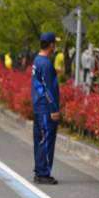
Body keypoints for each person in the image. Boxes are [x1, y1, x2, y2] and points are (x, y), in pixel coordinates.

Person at [31, 32, 61, 185]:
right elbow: (49, 89)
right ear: (51, 45)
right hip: (46, 108)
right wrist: (54, 109)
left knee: (39, 140)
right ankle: (43, 173)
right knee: (47, 140)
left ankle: (39, 170)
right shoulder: (47, 64)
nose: (55, 46)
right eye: (54, 43)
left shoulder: (37, 60)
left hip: (38, 107)